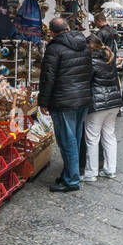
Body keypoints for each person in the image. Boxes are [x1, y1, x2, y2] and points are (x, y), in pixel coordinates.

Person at [37, 16, 93, 192]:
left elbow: (48, 77)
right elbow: (89, 71)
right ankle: (70, 173)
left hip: (63, 100)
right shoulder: (83, 44)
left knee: (67, 140)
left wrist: (43, 101)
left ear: (52, 33)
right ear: (68, 28)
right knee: (74, 138)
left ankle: (72, 180)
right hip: (82, 98)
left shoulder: (54, 48)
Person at [82, 34, 122, 181]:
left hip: (97, 103)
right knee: (109, 135)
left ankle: (91, 172)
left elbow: (87, 82)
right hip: (113, 102)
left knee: (92, 138)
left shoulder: (90, 61)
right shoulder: (109, 57)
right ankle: (110, 169)